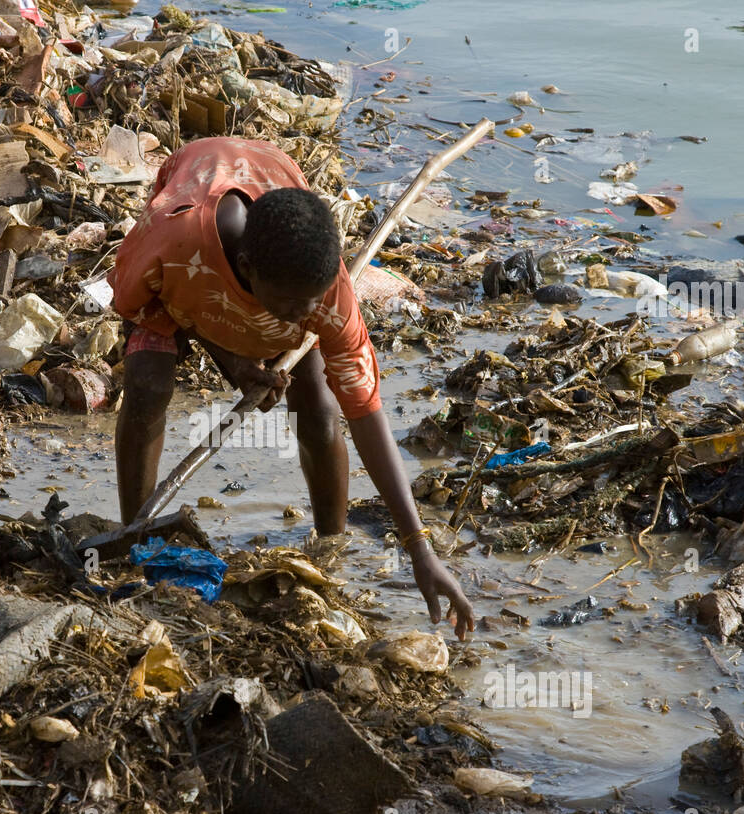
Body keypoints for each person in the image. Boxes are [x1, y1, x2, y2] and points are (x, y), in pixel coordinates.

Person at [110, 136, 475, 637]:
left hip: (269, 203)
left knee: (319, 407)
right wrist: (233, 359)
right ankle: (137, 532)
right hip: (187, 249)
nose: (306, 317)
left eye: (314, 303)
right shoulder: (176, 239)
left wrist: (419, 547)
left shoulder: (326, 297)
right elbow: (142, 300)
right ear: (247, 270)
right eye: (288, 305)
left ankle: (331, 545)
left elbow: (366, 413)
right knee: (148, 383)